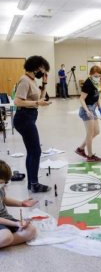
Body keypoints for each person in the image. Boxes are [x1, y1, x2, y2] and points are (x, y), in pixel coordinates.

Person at [14, 55, 52, 193]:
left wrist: (45, 83)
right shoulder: (24, 80)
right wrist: (37, 103)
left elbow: (41, 98)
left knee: (31, 151)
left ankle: (32, 183)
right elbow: (17, 101)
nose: (43, 72)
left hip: (29, 116)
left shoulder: (32, 80)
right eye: (42, 69)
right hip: (24, 117)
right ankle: (34, 184)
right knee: (36, 151)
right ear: (35, 67)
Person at [0, 160, 37, 248]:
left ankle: (6, 242)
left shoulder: (1, 187)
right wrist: (16, 224)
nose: (3, 185)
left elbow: (4, 199)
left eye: (4, 183)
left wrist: (21, 203)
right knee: (6, 236)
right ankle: (6, 240)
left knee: (31, 230)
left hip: (6, 219)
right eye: (1, 182)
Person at [75, 65, 101, 162]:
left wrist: (100, 107)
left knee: (97, 131)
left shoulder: (97, 83)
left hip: (93, 108)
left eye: (99, 75)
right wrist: (87, 111)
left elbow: (97, 96)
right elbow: (81, 99)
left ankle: (80, 149)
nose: (97, 77)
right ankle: (90, 156)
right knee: (90, 133)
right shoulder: (88, 84)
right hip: (86, 109)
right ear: (90, 75)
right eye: (95, 75)